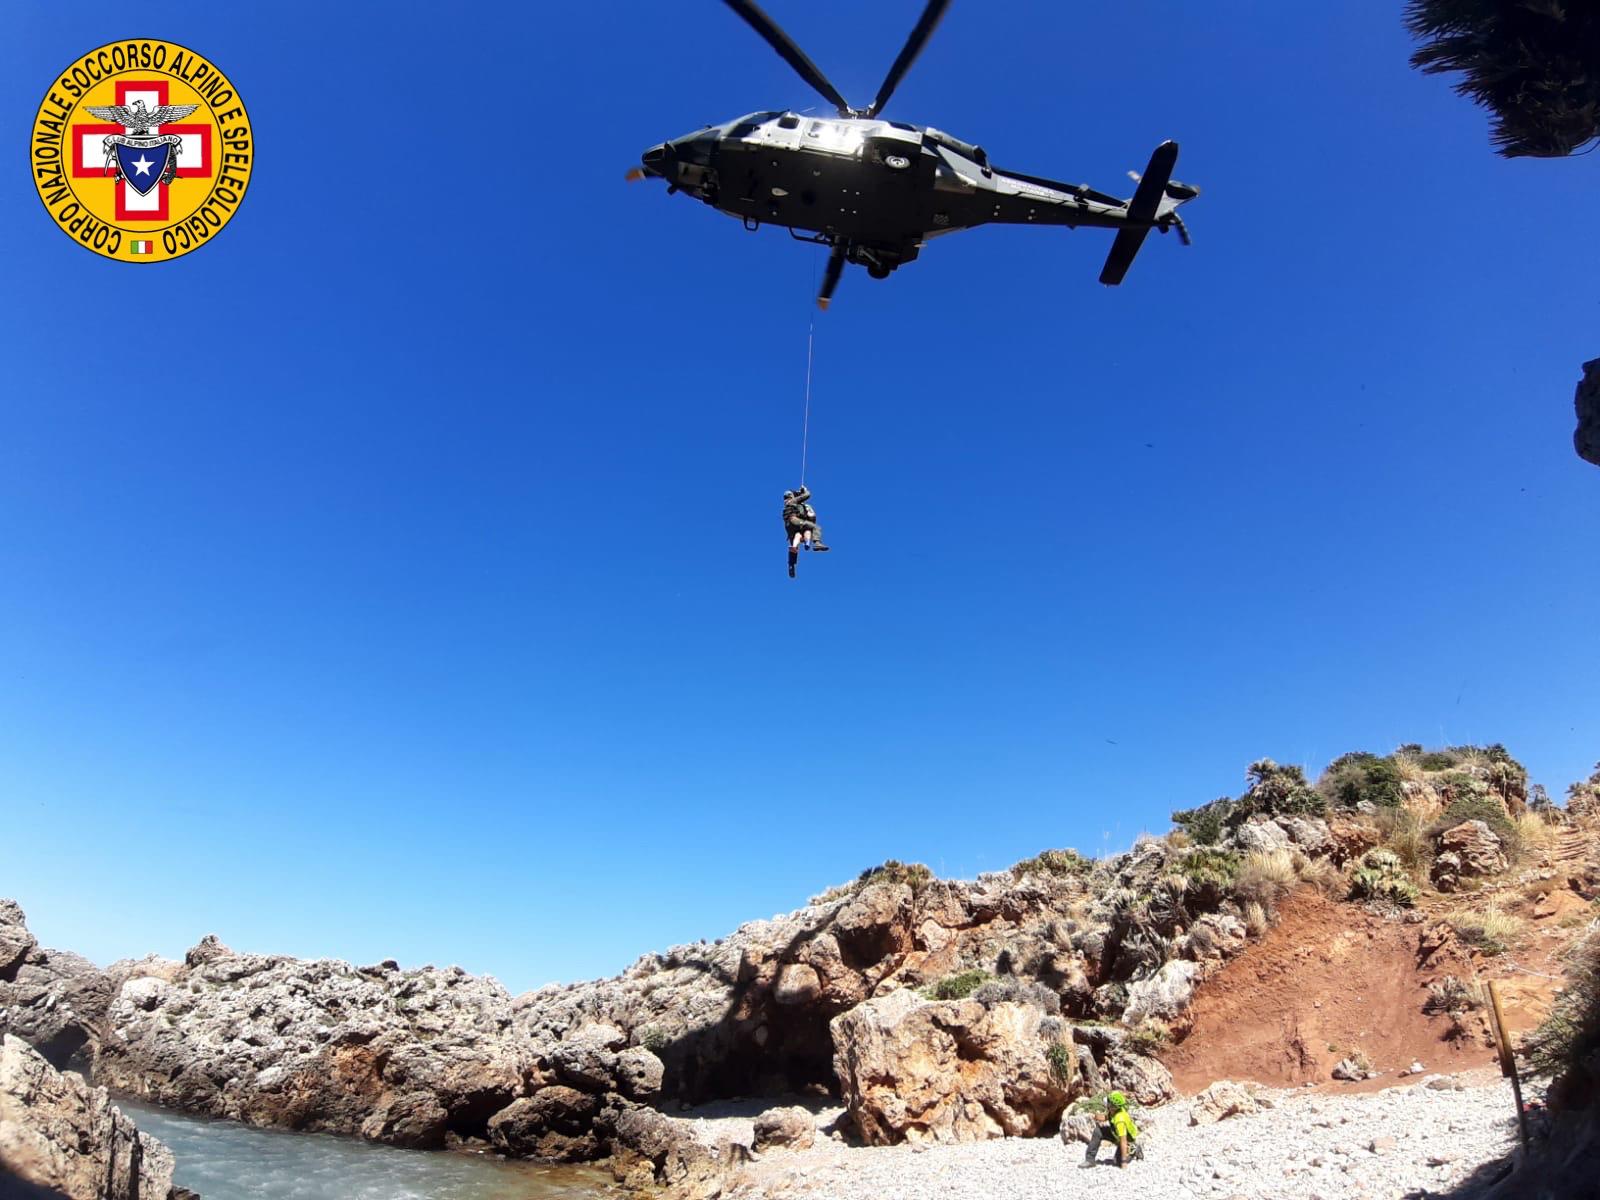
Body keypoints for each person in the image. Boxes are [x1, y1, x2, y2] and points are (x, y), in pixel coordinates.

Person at [1080, 1092, 1143, 1169]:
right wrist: (1096, 1116)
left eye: (1109, 1101)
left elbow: (1123, 1140)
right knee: (1098, 1131)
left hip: (1127, 1139)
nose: (1107, 1101)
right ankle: (1090, 1160)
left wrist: (1124, 1162)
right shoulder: (1113, 1110)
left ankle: (1134, 1149)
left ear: (1113, 1106)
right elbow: (1107, 1117)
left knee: (1117, 1162)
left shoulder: (1120, 1120)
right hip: (1115, 1133)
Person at [782, 486, 829, 578]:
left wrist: (799, 493)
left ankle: (791, 565)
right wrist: (805, 490)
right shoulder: (793, 501)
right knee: (815, 527)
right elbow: (807, 495)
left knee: (798, 536)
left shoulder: (787, 503)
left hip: (789, 527)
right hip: (794, 520)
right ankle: (816, 543)